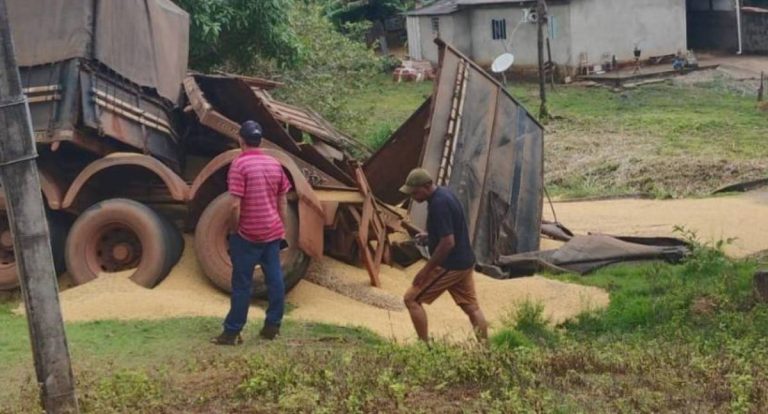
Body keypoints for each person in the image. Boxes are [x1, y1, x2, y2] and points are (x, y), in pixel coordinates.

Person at [211, 120, 292, 346]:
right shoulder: (274, 163)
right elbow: (283, 201)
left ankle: (232, 332)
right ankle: (272, 326)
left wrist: (234, 229)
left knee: (242, 284)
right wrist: (282, 228)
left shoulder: (239, 165)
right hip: (272, 232)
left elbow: (235, 205)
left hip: (247, 235)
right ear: (260, 140)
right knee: (275, 280)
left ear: (241, 140)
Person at [400, 168, 488, 342]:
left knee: (411, 299)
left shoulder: (438, 204)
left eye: (415, 192)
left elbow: (448, 242)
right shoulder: (445, 194)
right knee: (472, 308)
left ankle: (424, 348)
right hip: (465, 261)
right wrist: (430, 236)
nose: (413, 197)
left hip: (450, 265)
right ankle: (487, 351)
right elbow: (450, 230)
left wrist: (425, 270)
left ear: (427, 185)